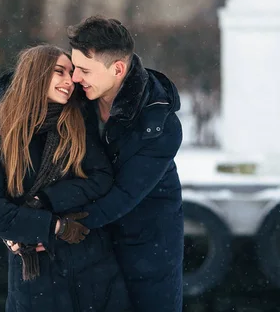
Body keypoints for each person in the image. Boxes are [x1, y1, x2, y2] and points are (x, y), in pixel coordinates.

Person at [0, 45, 132, 312]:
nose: (70, 81)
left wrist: (42, 201)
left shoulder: (78, 124)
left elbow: (101, 179)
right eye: (60, 72)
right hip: (34, 278)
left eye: (71, 73)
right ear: (35, 76)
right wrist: (54, 226)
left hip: (90, 269)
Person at [39, 16, 184, 311]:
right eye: (73, 66)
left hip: (148, 247)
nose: (75, 77)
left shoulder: (160, 124)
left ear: (117, 69)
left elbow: (122, 196)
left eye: (84, 70)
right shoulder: (78, 94)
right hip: (90, 241)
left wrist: (52, 227)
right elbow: (14, 92)